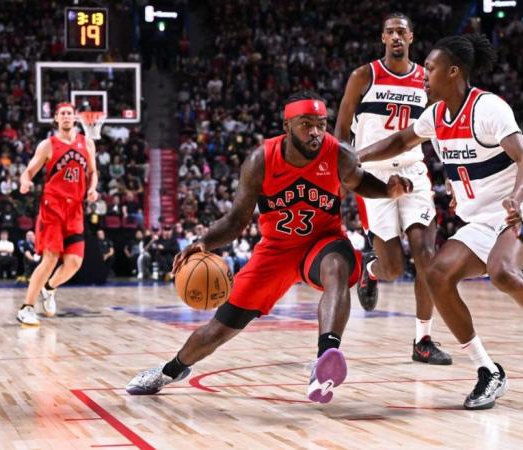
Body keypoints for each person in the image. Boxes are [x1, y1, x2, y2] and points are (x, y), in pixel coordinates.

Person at [357, 34, 523, 409]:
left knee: (501, 271)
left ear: (453, 72)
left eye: (431, 69)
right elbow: (398, 141)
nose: (424, 75)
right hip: (483, 218)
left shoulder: (489, 108)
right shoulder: (435, 116)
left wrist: (516, 198)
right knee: (436, 274)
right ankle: (488, 371)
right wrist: (354, 157)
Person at [126, 91, 413, 403]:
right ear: (286, 125)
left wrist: (387, 190)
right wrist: (203, 242)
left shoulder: (338, 153)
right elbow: (236, 220)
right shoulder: (260, 160)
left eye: (321, 124)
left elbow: (359, 182)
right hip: (275, 251)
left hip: (322, 241)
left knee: (337, 268)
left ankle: (325, 358)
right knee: (220, 329)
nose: (316, 131)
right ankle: (170, 370)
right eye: (306, 124)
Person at [335, 13, 451, 365]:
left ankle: (423, 340)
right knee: (393, 268)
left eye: (401, 31)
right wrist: (339, 176)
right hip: (373, 174)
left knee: (426, 256)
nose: (396, 36)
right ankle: (371, 271)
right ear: (382, 38)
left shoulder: (425, 79)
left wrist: (455, 178)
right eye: (390, 32)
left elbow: (440, 130)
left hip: (414, 171)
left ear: (411, 37)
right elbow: (341, 132)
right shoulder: (363, 76)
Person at [16, 103, 98, 326]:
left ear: (75, 118)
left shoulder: (86, 143)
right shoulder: (48, 145)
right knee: (51, 257)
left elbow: (93, 172)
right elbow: (29, 170)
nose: (66, 117)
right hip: (52, 207)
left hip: (76, 210)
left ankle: (49, 288)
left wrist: (92, 188)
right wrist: (24, 181)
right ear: (55, 118)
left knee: (74, 262)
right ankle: (26, 307)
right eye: (62, 114)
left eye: (69, 113)